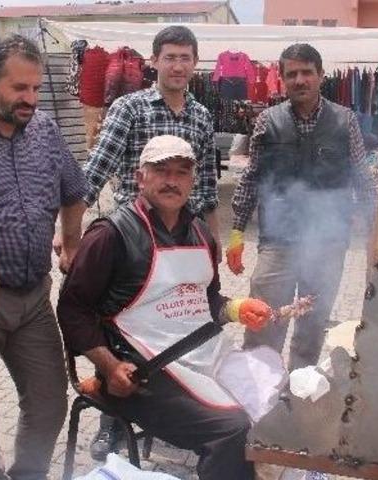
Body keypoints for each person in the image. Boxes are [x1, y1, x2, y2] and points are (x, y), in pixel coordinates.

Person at [57, 135, 271, 479]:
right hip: (142, 375)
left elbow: (208, 299)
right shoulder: (111, 234)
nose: (172, 180)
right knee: (231, 428)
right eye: (162, 171)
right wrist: (109, 367)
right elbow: (72, 310)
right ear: (141, 177)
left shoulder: (201, 232)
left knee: (273, 401)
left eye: (182, 172)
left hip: (202, 358)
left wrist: (235, 308)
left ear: (193, 181)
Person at [69, 25, 222, 458]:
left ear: (195, 63)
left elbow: (207, 186)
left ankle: (178, 407)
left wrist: (213, 246)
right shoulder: (129, 108)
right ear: (153, 61)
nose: (177, 65)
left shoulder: (201, 116)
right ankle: (112, 420)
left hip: (180, 239)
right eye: (169, 57)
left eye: (185, 57)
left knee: (177, 325)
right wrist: (71, 239)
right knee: (123, 328)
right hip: (131, 240)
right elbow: (92, 174)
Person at [0, 34, 89, 480]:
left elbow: (74, 189)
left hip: (33, 299)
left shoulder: (44, 130)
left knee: (48, 402)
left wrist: (71, 239)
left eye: (35, 88)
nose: (30, 99)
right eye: (19, 89)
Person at [226, 43, 378, 370]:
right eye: (292, 74)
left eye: (307, 72)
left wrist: (374, 235)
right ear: (281, 80)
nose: (300, 80)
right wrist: (237, 230)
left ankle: (297, 396)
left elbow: (363, 179)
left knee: (311, 329)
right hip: (277, 243)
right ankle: (259, 397)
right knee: (263, 322)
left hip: (327, 244)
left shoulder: (344, 121)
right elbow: (252, 176)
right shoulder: (268, 121)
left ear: (321, 76)